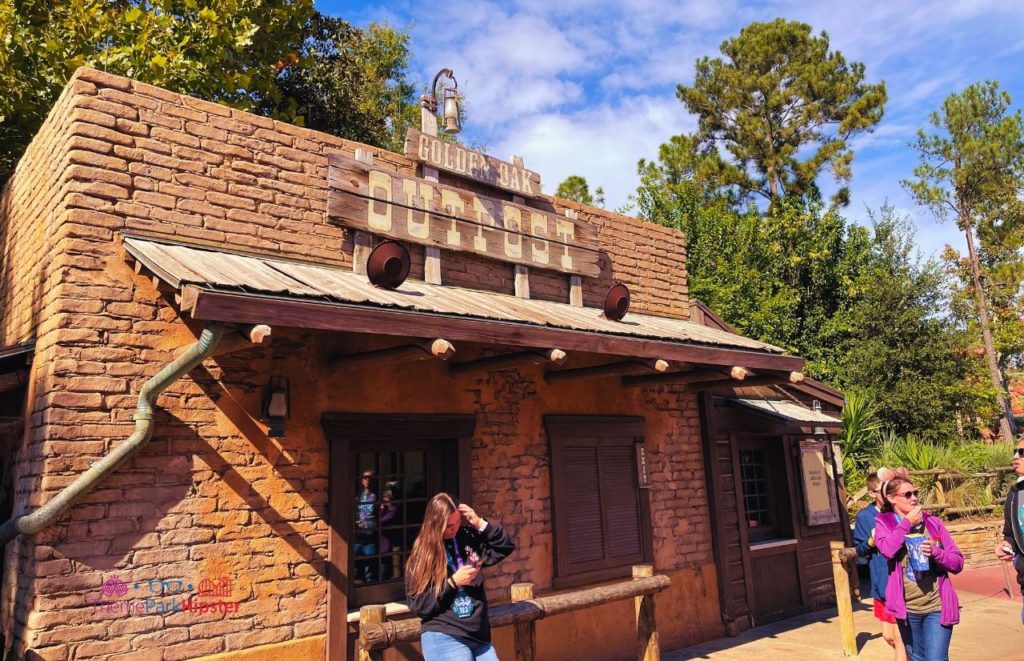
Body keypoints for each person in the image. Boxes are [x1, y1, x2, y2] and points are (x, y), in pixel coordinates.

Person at [406, 493, 515, 660]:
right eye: (449, 525)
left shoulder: (467, 537)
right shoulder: (422, 554)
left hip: (479, 637)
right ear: (436, 524)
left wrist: (480, 524)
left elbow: (505, 547)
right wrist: (453, 582)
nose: (454, 529)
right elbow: (419, 604)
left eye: (457, 522)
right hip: (445, 634)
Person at [875, 474, 963, 661]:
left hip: (936, 607)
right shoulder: (884, 522)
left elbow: (957, 562)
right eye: (907, 494)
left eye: (915, 493)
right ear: (892, 499)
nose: (914, 498)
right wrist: (907, 524)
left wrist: (936, 553)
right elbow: (888, 551)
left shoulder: (933, 522)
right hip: (908, 611)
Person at [853, 471, 907, 661]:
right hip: (881, 581)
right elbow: (859, 550)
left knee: (900, 637)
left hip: (901, 580)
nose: (885, 494)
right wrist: (870, 542)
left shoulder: (898, 510)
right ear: (871, 493)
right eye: (880, 490)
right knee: (888, 636)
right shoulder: (865, 516)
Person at [994, 436, 1024, 623]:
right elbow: (1011, 533)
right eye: (1015, 451)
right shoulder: (1015, 493)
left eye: (1021, 452)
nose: (1015, 456)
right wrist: (1006, 544)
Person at [354, 470, 378, 583]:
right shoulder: (359, 496)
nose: (367, 480)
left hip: (371, 535)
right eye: (365, 477)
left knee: (370, 568)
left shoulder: (377, 496)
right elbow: (355, 512)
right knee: (356, 566)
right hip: (358, 535)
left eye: (370, 478)